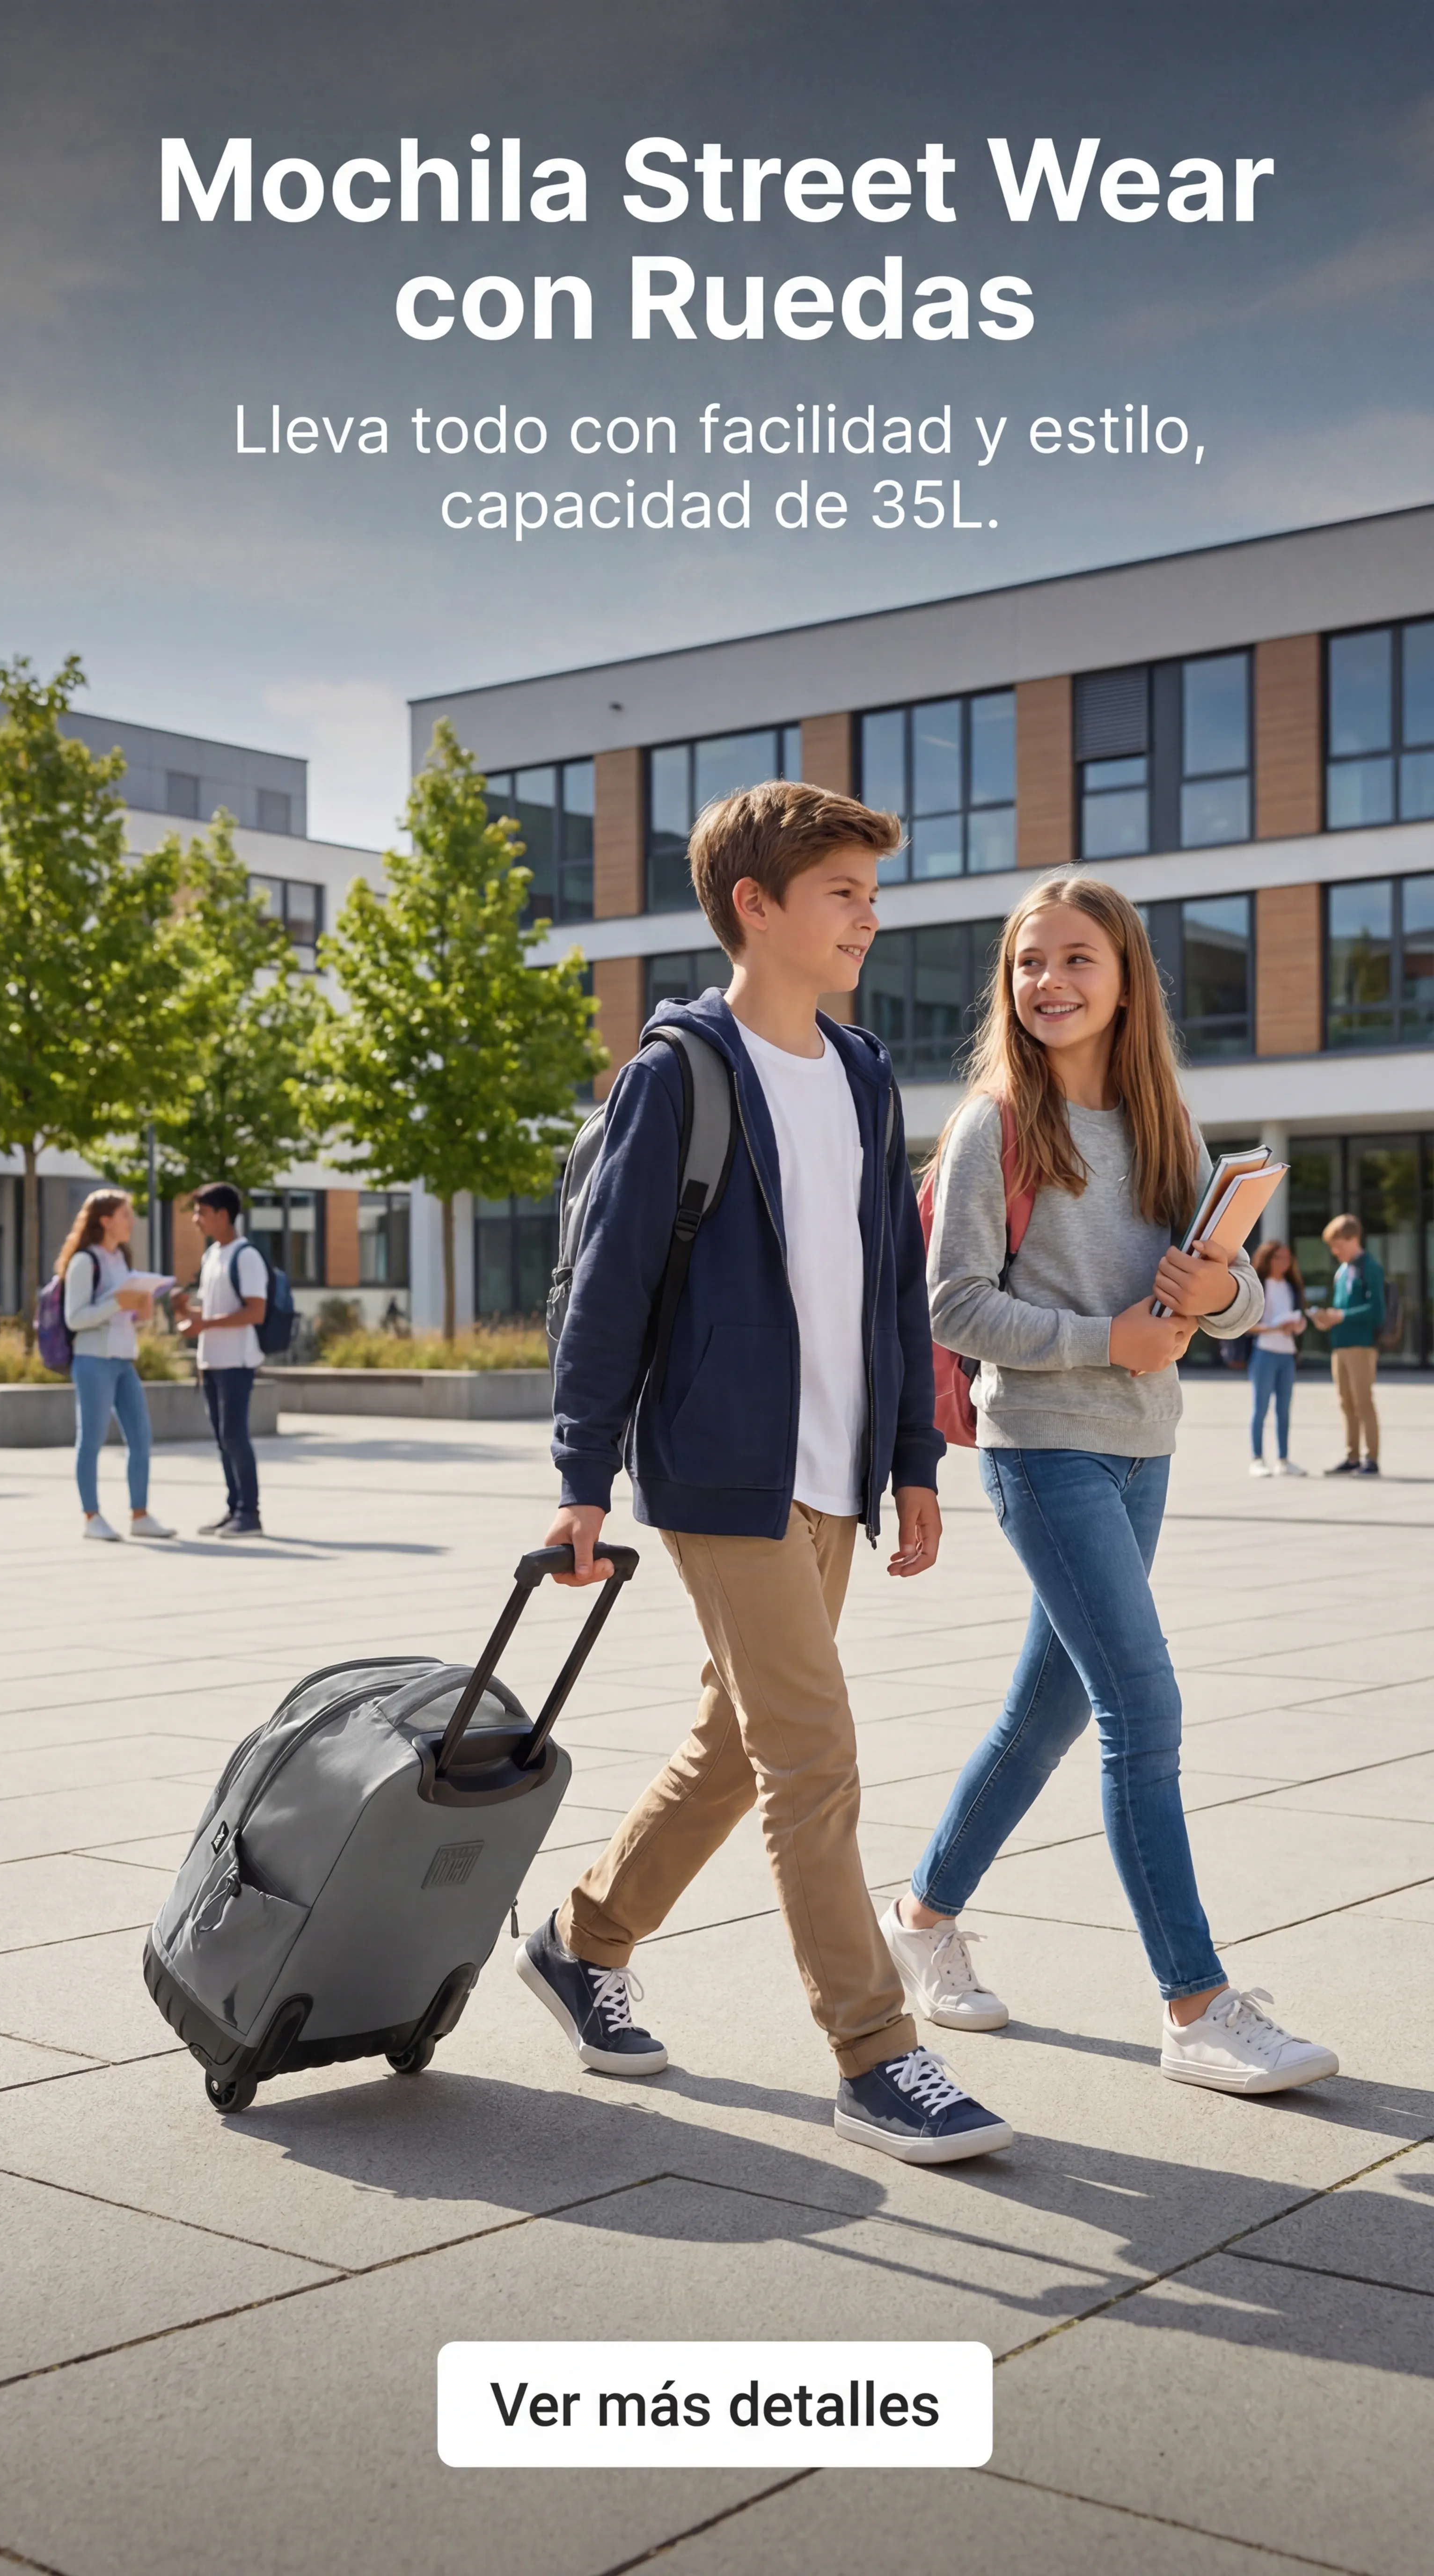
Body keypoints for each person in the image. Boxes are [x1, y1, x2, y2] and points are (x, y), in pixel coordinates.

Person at [516, 780, 1015, 2166]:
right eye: (843, 891)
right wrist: (578, 1479)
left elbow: (887, 1292)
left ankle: (581, 1940)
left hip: (836, 1474)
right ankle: (873, 2054)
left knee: (737, 1747)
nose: (870, 914)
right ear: (757, 904)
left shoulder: (859, 1071)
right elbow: (607, 1294)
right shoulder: (678, 1074)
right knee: (813, 1753)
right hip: (721, 1468)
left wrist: (913, 1454)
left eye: (870, 889)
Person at [883, 874, 1339, 2098]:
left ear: (1127, 977)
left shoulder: (1162, 1123)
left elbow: (1231, 1291)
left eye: (1078, 960)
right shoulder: (996, 1123)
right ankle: (1195, 2004)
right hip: (1046, 1448)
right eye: (1030, 963)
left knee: (1048, 1711)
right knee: (1145, 1711)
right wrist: (1105, 1341)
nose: (1051, 983)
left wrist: (1216, 1299)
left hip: (1148, 1447)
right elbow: (952, 1303)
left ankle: (921, 1919)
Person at [58, 1188, 176, 1543]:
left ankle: (140, 1515)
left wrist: (142, 1309)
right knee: (91, 1440)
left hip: (124, 1359)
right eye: (126, 1214)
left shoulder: (122, 1260)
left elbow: (126, 1314)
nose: (132, 1221)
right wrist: (116, 1304)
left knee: (141, 1438)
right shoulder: (84, 1262)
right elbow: (75, 1318)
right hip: (93, 1361)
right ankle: (91, 1516)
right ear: (105, 1221)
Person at [172, 1183, 267, 1537]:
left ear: (223, 1215)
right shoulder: (212, 1256)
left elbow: (255, 1312)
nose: (196, 1220)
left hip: (237, 1362)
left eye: (202, 1212)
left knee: (235, 1435)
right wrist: (188, 1312)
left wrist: (203, 1323)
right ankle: (234, 1508)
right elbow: (214, 1312)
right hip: (212, 1361)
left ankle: (250, 1513)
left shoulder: (247, 1257)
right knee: (222, 1438)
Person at [1310, 1214, 1383, 1476]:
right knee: (1346, 1402)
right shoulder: (1343, 1271)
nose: (1335, 1251)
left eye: (1338, 1244)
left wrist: (1341, 1316)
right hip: (1339, 1344)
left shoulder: (1370, 1267)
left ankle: (1371, 1460)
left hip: (1361, 1346)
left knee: (1363, 1401)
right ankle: (1352, 1456)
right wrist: (1328, 1318)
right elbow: (1342, 1308)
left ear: (1354, 1239)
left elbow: (1377, 1311)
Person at [1248, 1239, 1308, 1478]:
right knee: (1260, 1408)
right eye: (1279, 1258)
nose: (1285, 1263)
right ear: (1268, 1259)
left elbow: (1300, 1317)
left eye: (1288, 1258)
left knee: (1284, 1410)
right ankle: (1257, 1458)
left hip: (1287, 1354)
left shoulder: (1292, 1287)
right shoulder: (1259, 1286)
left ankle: (1283, 1460)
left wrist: (1299, 1325)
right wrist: (1275, 1328)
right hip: (1264, 1352)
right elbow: (1248, 1326)